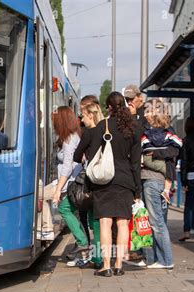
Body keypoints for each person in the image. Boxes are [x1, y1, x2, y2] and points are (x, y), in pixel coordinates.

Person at [74, 92, 142, 277]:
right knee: (122, 224)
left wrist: (87, 185)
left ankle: (106, 265)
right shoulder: (133, 128)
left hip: (104, 181)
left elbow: (92, 158)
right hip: (126, 181)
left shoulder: (102, 126)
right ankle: (120, 264)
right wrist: (138, 190)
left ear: (109, 108)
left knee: (105, 223)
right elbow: (136, 163)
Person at [39, 107, 90, 258]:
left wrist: (57, 190)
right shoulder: (75, 136)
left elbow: (67, 167)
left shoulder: (69, 139)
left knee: (40, 196)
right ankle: (82, 244)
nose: (53, 125)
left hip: (70, 182)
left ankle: (47, 230)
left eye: (55, 121)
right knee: (69, 210)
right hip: (71, 181)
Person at [141, 102, 177, 270]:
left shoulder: (146, 135)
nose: (146, 114)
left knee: (156, 223)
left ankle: (166, 261)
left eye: (149, 111)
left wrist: (152, 155)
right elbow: (175, 152)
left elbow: (145, 156)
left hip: (151, 182)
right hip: (165, 183)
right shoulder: (171, 135)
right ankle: (160, 259)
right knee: (161, 221)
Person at [69, 101, 105, 269]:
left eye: (82, 116)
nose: (81, 120)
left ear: (91, 115)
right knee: (98, 221)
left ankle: (95, 257)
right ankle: (99, 258)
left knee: (92, 220)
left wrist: (84, 156)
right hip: (106, 180)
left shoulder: (89, 133)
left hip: (91, 180)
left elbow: (76, 156)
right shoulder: (105, 130)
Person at [140, 101, 183, 204]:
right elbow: (178, 145)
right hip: (151, 177)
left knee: (156, 215)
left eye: (149, 111)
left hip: (152, 178)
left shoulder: (145, 131)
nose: (145, 114)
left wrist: (153, 153)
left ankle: (168, 190)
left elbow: (175, 151)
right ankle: (168, 190)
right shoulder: (167, 132)